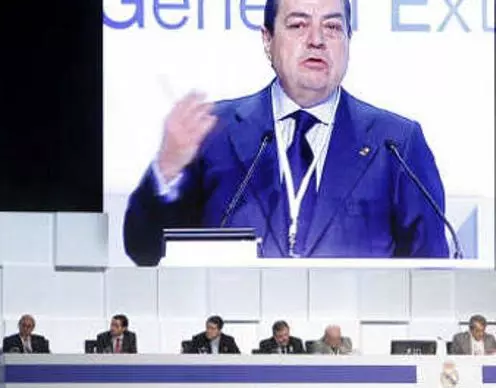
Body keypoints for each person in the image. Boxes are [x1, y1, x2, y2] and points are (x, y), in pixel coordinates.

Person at [122, 0, 449, 266]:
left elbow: (431, 275)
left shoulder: (396, 143)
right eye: (298, 25)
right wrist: (167, 168)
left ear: (349, 40)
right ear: (267, 39)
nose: (317, 39)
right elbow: (144, 250)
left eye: (333, 27)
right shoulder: (213, 133)